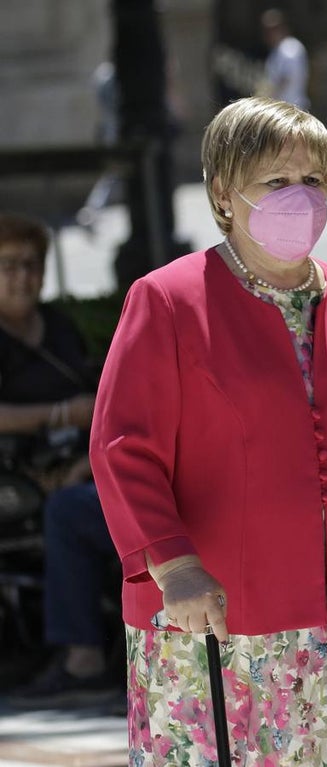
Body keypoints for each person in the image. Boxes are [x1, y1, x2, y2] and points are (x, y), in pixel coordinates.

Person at [89, 97, 327, 766]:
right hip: (215, 620)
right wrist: (173, 563)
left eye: (313, 180)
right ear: (223, 193)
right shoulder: (168, 300)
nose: (301, 197)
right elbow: (123, 447)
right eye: (276, 181)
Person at [0, 213, 111, 702]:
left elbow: (100, 397)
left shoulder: (61, 328)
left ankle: (85, 653)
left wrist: (87, 459)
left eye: (31, 265)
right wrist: (60, 413)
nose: (22, 276)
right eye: (9, 265)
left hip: (82, 460)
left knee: (75, 504)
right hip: (16, 471)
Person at [261, 9, 309, 109]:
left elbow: (286, 78)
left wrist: (266, 99)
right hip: (281, 108)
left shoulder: (290, 47)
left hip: (293, 108)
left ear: (283, 27)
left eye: (274, 29)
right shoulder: (276, 50)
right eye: (267, 30)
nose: (270, 34)